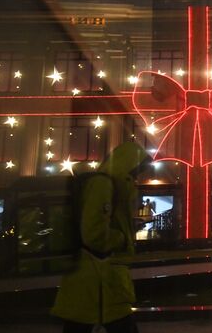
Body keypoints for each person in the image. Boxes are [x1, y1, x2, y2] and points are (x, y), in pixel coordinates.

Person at [52, 142, 151, 333]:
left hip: (98, 288)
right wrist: (123, 238)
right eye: (137, 171)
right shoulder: (104, 184)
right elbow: (94, 234)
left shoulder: (110, 184)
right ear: (128, 166)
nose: (138, 177)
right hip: (100, 287)